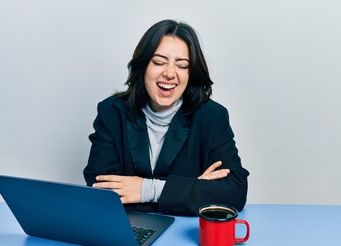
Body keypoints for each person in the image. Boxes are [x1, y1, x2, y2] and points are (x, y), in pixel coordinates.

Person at [83, 19, 249, 216]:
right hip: (127, 230)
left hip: (185, 234)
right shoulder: (111, 111)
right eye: (159, 62)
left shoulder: (212, 117)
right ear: (143, 66)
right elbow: (101, 188)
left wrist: (146, 190)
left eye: (182, 65)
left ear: (191, 73)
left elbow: (235, 192)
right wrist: (192, 189)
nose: (170, 73)